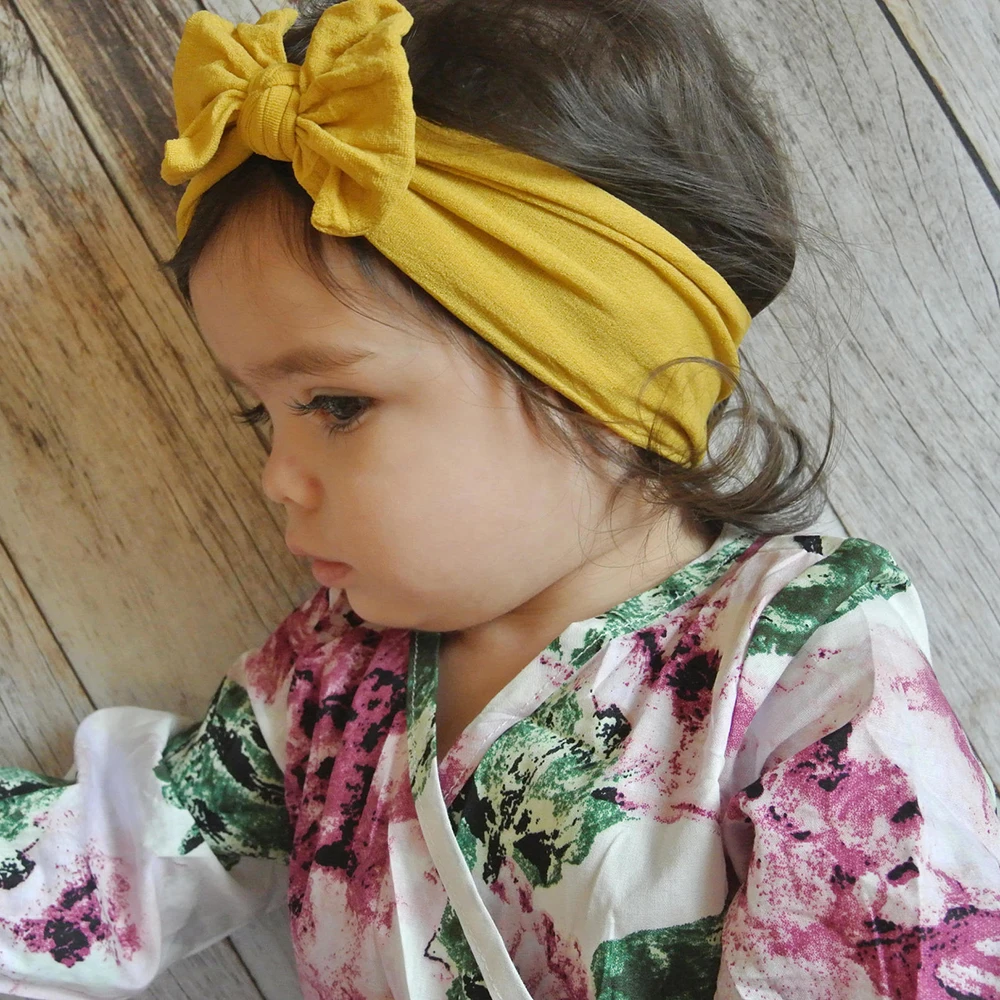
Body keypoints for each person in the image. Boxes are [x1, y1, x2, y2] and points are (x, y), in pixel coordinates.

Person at [1, 0, 998, 995]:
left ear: (596, 381)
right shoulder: (327, 684)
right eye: (261, 416)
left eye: (337, 405)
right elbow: (100, 874)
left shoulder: (795, 668)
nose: (276, 478)